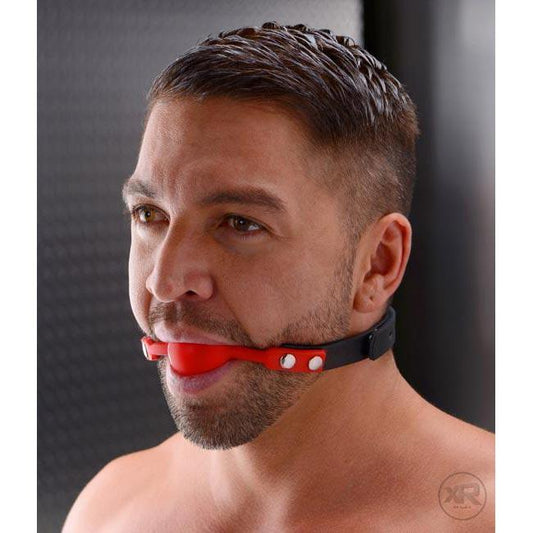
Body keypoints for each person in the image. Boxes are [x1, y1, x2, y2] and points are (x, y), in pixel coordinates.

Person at [63, 22, 494, 532]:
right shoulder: (108, 511)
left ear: (378, 264)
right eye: (149, 214)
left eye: (240, 223)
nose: (164, 281)